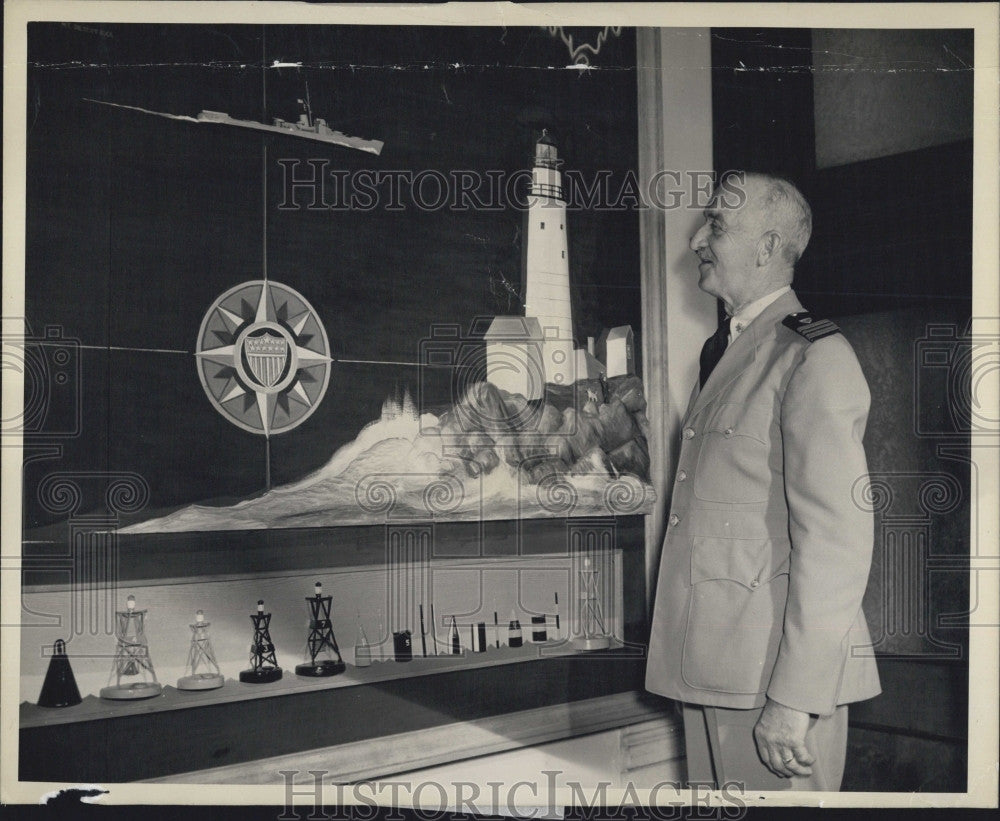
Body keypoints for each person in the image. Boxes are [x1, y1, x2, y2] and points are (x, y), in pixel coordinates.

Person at [644, 172, 881, 792]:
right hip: (713, 669)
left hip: (774, 685)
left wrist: (795, 701)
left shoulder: (813, 357)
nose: (696, 238)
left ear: (767, 246)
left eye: (716, 225)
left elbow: (837, 542)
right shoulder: (726, 353)